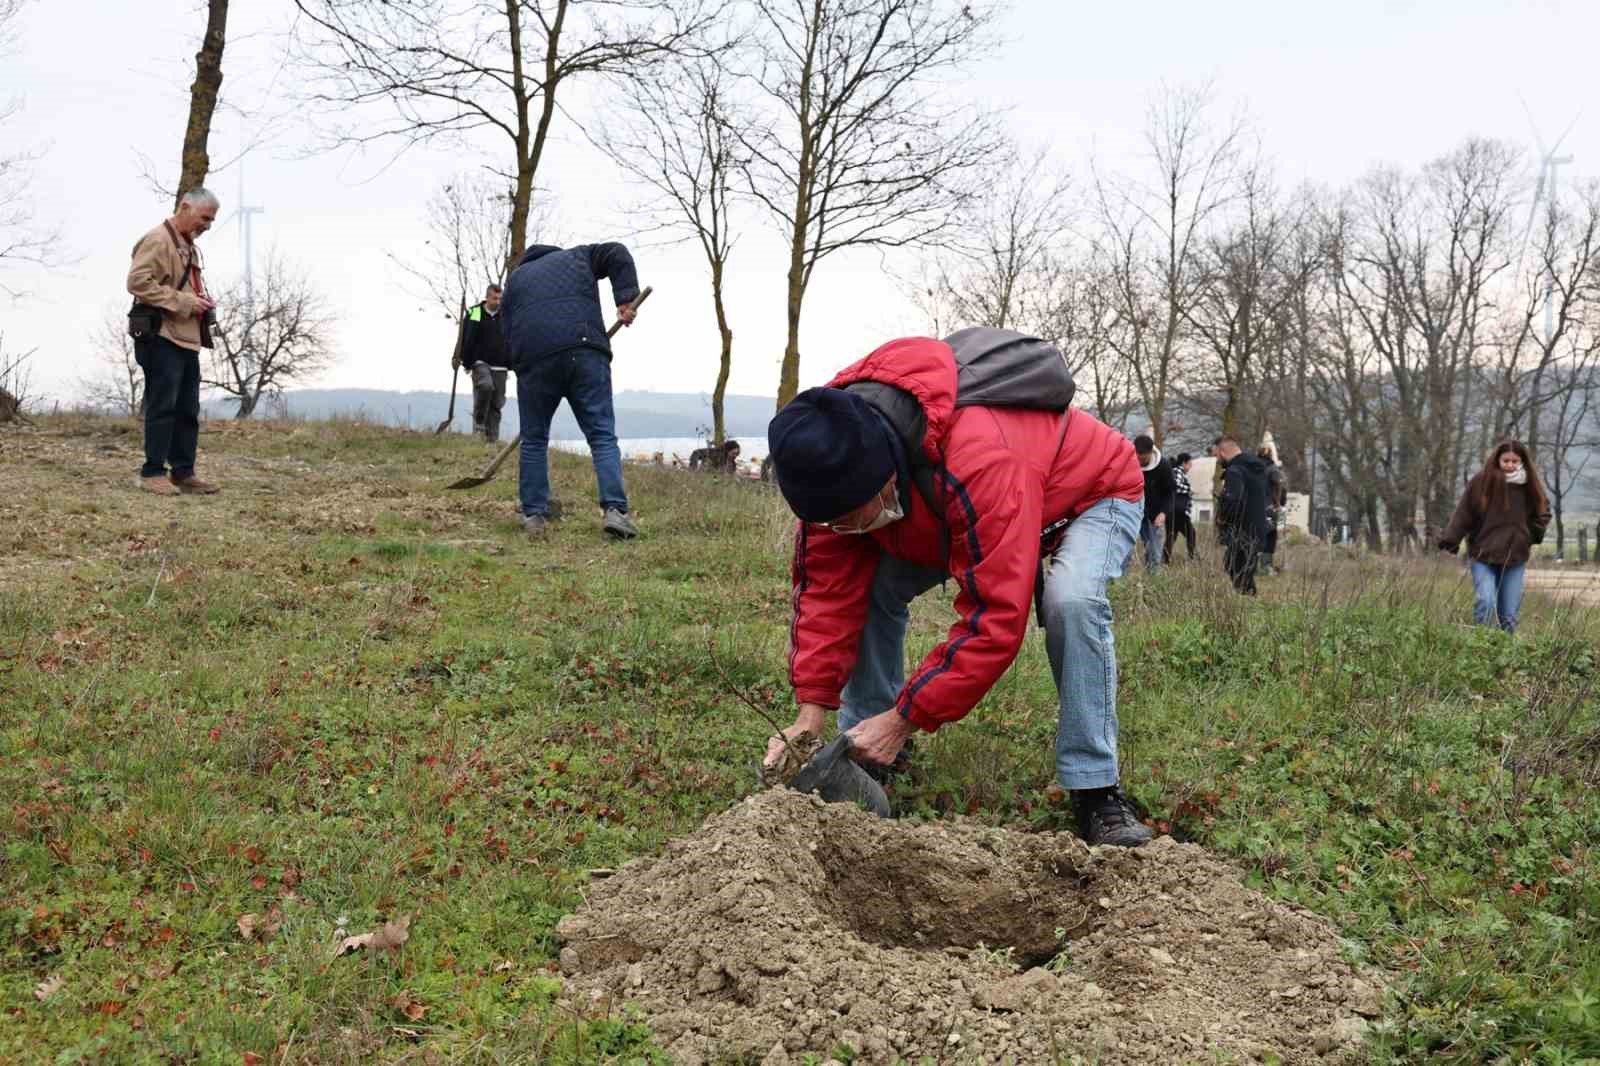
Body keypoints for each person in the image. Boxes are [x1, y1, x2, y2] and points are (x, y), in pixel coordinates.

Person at [761, 331, 1154, 848]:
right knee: (871, 586)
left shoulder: (981, 454)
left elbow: (995, 618)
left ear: (884, 477)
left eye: (850, 519)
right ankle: (866, 754)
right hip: (948, 511)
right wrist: (810, 712)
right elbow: (827, 594)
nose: (841, 531)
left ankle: (1097, 789)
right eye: (829, 523)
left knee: (1071, 602)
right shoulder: (827, 453)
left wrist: (907, 717)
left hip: (1088, 492)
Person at [501, 242, 642, 539]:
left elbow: (506, 326)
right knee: (602, 436)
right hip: (584, 350)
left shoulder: (515, 280)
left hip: (534, 360)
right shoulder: (579, 256)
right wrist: (626, 298)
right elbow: (616, 252)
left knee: (534, 439)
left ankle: (534, 516)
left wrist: (521, 363)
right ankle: (615, 511)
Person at [125, 187, 221, 496]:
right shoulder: (157, 239)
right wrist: (183, 301)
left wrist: (200, 300)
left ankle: (183, 472)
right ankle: (152, 472)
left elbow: (182, 287)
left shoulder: (188, 246)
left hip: (186, 337)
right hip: (161, 335)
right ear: (185, 207)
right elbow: (137, 282)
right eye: (205, 218)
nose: (207, 225)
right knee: (163, 405)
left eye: (211, 220)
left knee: (188, 409)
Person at [1438, 440, 1552, 634]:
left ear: (1522, 462)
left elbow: (1542, 513)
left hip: (1515, 557)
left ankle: (1505, 657)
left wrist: (1529, 535)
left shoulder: (1530, 485)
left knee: (1508, 615)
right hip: (1483, 555)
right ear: (1497, 460)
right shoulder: (1482, 482)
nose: (1509, 465)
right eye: (1505, 460)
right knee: (1486, 601)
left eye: (1515, 461)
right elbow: (1464, 512)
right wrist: (1451, 540)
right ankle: (1481, 647)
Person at [454, 283, 511, 441]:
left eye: (500, 298)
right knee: (485, 386)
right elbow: (464, 337)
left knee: (496, 404)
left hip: (501, 365)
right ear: (487, 297)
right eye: (495, 298)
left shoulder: (506, 315)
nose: (498, 302)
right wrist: (461, 358)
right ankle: (479, 423)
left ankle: (492, 440)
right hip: (480, 362)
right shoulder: (475, 312)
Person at [1215, 436, 1268, 595]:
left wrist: (1223, 518)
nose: (1217, 460)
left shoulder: (1234, 471)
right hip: (1257, 528)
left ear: (1223, 453)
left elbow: (1233, 499)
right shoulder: (1257, 469)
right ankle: (1248, 604)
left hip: (1241, 530)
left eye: (1217, 455)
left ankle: (1247, 607)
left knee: (1237, 570)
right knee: (1243, 571)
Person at [1133, 435, 1175, 572]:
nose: (1139, 461)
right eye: (1137, 457)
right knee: (1124, 551)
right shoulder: (1128, 462)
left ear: (1151, 453)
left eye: (1143, 458)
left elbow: (1170, 493)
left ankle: (1153, 582)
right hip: (1132, 512)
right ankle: (1119, 583)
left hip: (1154, 515)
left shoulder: (1163, 466)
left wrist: (1163, 513)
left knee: (1154, 553)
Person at [1258, 447, 1287, 575]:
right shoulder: (1273, 469)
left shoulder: (1254, 469)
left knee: (1256, 536)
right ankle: (1266, 566)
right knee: (1271, 536)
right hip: (1271, 508)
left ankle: (1255, 567)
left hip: (1254, 508)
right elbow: (1280, 486)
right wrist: (1279, 503)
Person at [1165, 452, 1197, 563]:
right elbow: (1175, 485)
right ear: (1184, 463)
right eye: (1189, 464)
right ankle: (1192, 558)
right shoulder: (1178, 471)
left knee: (1171, 536)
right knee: (1191, 533)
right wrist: (1189, 490)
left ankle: (1165, 560)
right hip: (1178, 511)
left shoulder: (1175, 471)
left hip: (1172, 511)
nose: (1190, 467)